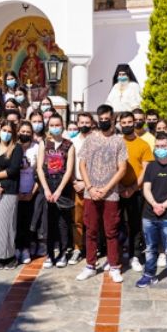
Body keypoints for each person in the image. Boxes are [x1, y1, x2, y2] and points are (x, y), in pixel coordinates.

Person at [76, 104, 128, 283]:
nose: (104, 122)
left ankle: (114, 266)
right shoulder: (90, 139)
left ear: (113, 119)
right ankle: (90, 265)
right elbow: (82, 164)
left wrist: (106, 189)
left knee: (111, 231)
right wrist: (89, 187)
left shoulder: (119, 141)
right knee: (91, 230)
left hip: (110, 194)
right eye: (101, 119)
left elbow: (122, 169)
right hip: (91, 193)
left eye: (107, 119)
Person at [136, 136, 167, 291]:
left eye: (163, 146)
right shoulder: (151, 166)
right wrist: (154, 204)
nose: (160, 149)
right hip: (149, 214)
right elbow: (146, 189)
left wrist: (163, 206)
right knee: (150, 247)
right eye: (157, 146)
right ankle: (149, 274)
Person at [37, 114, 75, 268]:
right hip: (47, 185)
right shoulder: (43, 143)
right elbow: (39, 168)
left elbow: (69, 170)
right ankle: (49, 253)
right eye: (52, 125)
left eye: (57, 125)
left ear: (62, 125)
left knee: (63, 222)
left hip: (62, 186)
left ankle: (63, 253)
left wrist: (59, 190)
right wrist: (46, 189)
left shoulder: (69, 145)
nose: (55, 128)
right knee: (48, 221)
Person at [117, 112, 153, 273]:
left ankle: (135, 256)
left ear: (134, 123)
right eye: (123, 123)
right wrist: (120, 187)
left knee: (135, 225)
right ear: (120, 124)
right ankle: (116, 256)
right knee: (116, 224)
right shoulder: (116, 143)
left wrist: (132, 188)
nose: (127, 125)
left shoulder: (143, 145)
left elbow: (145, 170)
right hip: (117, 190)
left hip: (136, 192)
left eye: (129, 122)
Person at [0, 122, 23, 270]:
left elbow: (13, 170)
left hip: (10, 190)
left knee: (6, 224)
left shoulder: (17, 148)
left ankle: (9, 256)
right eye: (4, 130)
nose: (6, 133)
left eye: (9, 131)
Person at [69, 112, 93, 265]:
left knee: (92, 220)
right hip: (76, 184)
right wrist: (74, 182)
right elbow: (69, 165)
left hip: (92, 186)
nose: (84, 125)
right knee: (77, 220)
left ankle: (93, 249)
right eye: (82, 122)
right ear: (78, 124)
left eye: (87, 122)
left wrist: (87, 183)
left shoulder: (97, 140)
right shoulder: (72, 142)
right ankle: (77, 248)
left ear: (92, 124)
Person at [15, 122, 39, 264]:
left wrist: (32, 192)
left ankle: (26, 249)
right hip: (15, 192)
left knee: (29, 222)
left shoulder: (36, 147)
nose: (25, 134)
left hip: (31, 191)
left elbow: (40, 171)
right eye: (22, 131)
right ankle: (17, 248)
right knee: (16, 222)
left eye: (28, 132)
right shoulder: (14, 146)